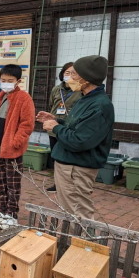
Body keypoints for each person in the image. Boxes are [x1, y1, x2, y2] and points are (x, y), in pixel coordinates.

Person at [36, 55, 114, 220]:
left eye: (74, 74)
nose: (70, 78)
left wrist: (55, 128)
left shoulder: (99, 105)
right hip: (70, 165)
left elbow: (80, 140)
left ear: (86, 79)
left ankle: (83, 244)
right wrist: (56, 119)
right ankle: (72, 242)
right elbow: (78, 127)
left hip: (76, 168)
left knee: (78, 213)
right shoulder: (86, 99)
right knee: (69, 211)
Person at [0, 64, 35, 229]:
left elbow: (27, 124)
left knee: (13, 184)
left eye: (9, 81)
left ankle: (12, 215)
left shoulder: (24, 98)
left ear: (18, 81)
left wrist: (16, 142)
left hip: (12, 149)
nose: (5, 83)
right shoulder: (2, 96)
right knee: (1, 182)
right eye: (3, 80)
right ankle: (2, 212)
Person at [45, 62, 83, 191]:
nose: (70, 75)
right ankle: (57, 183)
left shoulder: (80, 90)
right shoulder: (57, 89)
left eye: (73, 73)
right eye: (67, 72)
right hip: (54, 128)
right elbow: (51, 105)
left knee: (68, 158)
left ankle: (69, 184)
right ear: (62, 74)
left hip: (70, 130)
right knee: (56, 156)